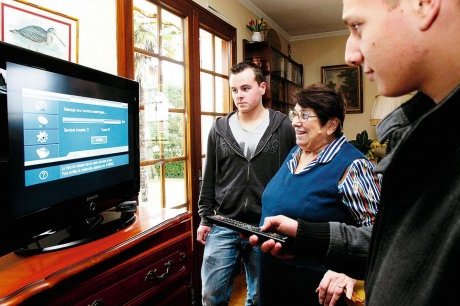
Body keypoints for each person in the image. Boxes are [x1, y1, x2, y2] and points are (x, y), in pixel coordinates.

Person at [257, 84, 382, 306]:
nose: (295, 121)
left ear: (331, 124)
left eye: (304, 115)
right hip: (273, 282)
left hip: (317, 292)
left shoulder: (353, 166)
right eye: (294, 113)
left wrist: (349, 273)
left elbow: (380, 235)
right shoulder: (297, 152)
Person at [197, 60, 296, 306]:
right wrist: (204, 218)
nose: (238, 95)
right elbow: (210, 175)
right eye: (234, 90)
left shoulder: (283, 126)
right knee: (211, 296)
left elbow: (293, 174)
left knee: (260, 296)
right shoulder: (219, 128)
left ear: (262, 87)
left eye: (245, 88)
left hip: (264, 225)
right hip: (223, 223)